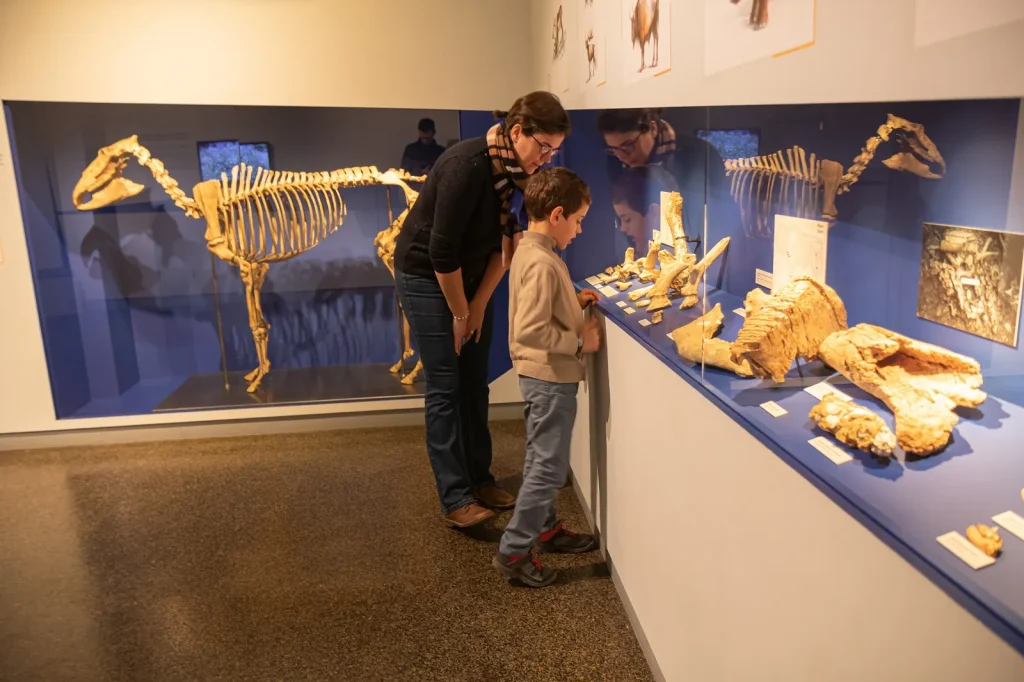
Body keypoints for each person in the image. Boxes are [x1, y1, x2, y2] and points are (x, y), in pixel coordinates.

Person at [392, 92, 571, 528]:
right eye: (543, 147)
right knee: (445, 386)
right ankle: (455, 497)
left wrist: (477, 305)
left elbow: (500, 248)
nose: (546, 158)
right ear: (516, 132)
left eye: (554, 151)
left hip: (472, 278)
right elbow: (440, 252)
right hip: (427, 276)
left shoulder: (516, 174)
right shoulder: (466, 166)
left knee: (475, 381)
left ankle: (480, 478)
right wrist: (458, 314)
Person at [492, 167, 601, 588]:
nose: (579, 229)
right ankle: (515, 550)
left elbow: (538, 307)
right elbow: (530, 330)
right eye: (577, 220)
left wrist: (574, 302)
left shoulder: (531, 251)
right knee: (548, 468)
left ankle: (549, 528)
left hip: (543, 376)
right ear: (557, 215)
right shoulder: (541, 261)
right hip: (549, 377)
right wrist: (579, 343)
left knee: (543, 457)